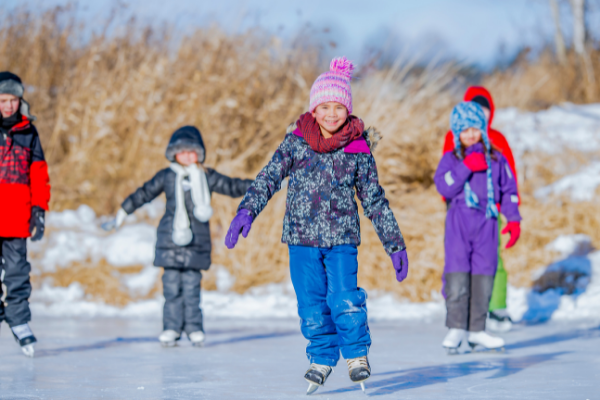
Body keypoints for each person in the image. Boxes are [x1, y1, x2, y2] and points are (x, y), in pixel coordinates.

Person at [224, 57, 408, 394]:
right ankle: (322, 357)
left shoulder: (358, 149)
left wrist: (394, 243)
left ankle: (355, 354)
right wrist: (246, 212)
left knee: (344, 298)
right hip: (301, 240)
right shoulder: (296, 143)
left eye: (339, 106)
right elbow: (268, 178)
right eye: (325, 106)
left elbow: (374, 199)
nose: (332, 114)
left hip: (341, 240)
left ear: (348, 110)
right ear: (314, 108)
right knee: (310, 302)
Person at [112, 126, 252, 347]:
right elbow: (144, 193)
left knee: (192, 287)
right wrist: (123, 211)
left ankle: (194, 328)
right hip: (170, 241)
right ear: (174, 154)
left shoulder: (207, 176)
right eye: (182, 151)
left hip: (197, 242)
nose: (187, 156)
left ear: (199, 154)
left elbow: (232, 185)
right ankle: (171, 328)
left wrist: (262, 185)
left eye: (191, 151)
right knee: (171, 288)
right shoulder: (167, 176)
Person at [434, 101, 521, 353]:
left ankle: (477, 330)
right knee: (457, 272)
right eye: (464, 130)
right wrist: (466, 167)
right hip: (459, 222)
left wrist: (513, 219)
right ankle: (456, 327)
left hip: (487, 222)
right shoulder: (451, 159)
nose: (470, 134)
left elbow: (509, 190)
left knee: (484, 273)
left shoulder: (496, 158)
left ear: (482, 129)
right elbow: (444, 186)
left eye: (475, 128)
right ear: (456, 133)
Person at [0, 71, 50, 357]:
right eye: (3, 100)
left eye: (13, 100)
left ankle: (19, 322)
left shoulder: (29, 132)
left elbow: (39, 174)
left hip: (17, 218)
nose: (8, 106)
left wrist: (39, 210)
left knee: (18, 274)